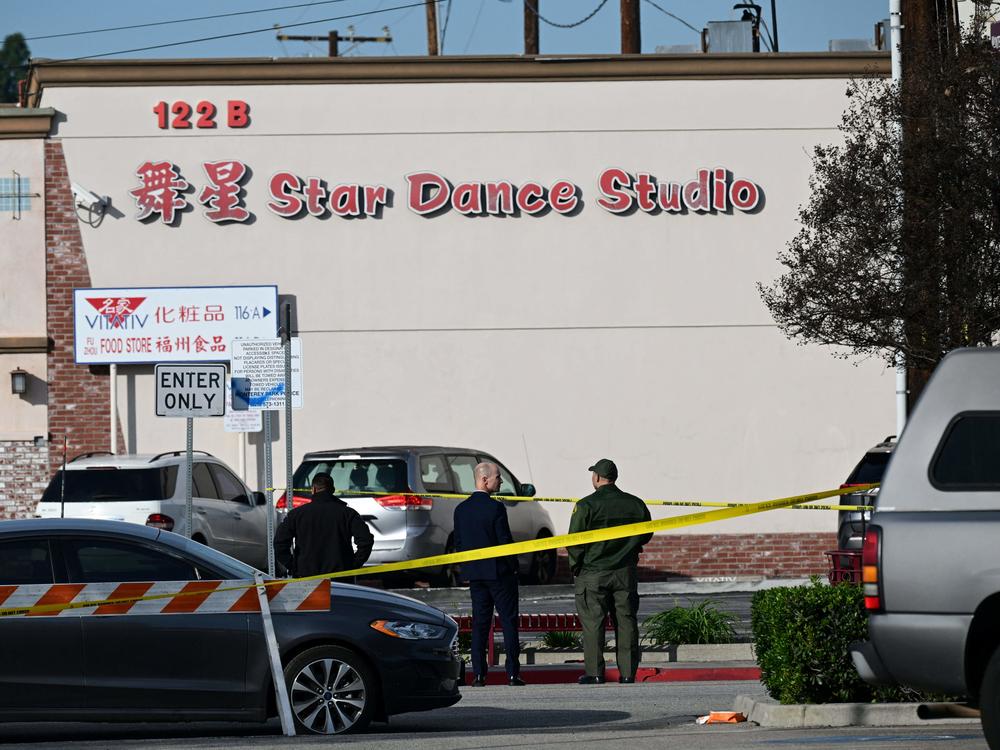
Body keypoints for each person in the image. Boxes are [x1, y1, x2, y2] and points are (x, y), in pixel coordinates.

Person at [568, 458, 652, 684]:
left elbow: (574, 542)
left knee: (593, 624)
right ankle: (627, 673)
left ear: (596, 478)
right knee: (626, 621)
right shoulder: (636, 504)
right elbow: (646, 533)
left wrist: (577, 567)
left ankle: (595, 673)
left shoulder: (586, 505)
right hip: (624, 571)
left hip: (593, 573)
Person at [453, 461, 525, 687]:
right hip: (500, 574)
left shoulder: (461, 510)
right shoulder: (495, 508)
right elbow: (504, 542)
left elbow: (459, 544)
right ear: (484, 480)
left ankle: (478, 675)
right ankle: (512, 674)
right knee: (509, 622)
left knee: (480, 625)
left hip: (475, 575)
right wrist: (514, 567)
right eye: (497, 477)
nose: (500, 481)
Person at [274, 472, 374, 578]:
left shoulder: (297, 514)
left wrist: (294, 566)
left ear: (313, 489)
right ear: (333, 490)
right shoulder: (348, 514)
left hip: (306, 576)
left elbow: (280, 542)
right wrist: (352, 565)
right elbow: (366, 540)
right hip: (341, 578)